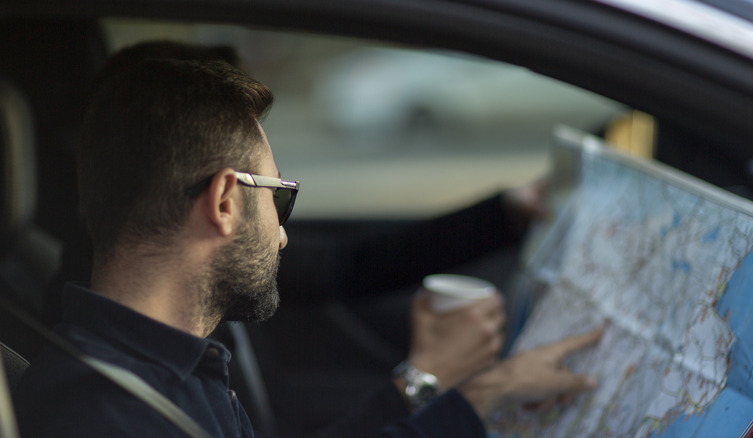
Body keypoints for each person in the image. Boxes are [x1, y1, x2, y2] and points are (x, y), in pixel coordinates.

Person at [13, 57, 601, 437]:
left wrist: (484, 394)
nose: (285, 232)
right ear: (224, 202)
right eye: (280, 198)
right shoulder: (110, 414)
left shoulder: (165, 364)